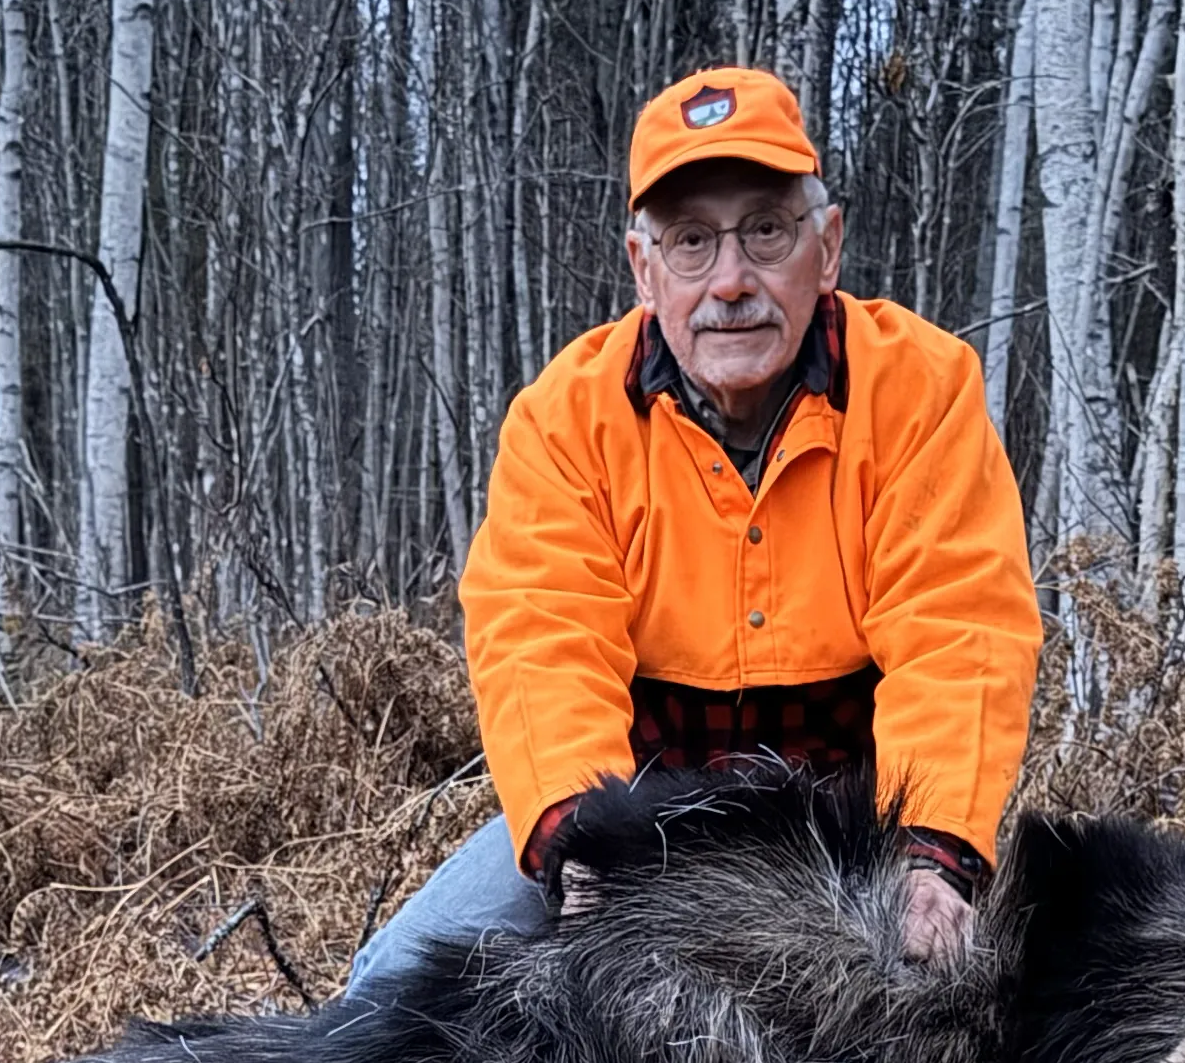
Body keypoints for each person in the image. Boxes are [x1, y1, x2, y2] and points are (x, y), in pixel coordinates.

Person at [348, 63, 1042, 993]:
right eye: (691, 242)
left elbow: (959, 631)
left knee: (971, 1013)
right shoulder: (566, 420)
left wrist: (933, 854)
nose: (731, 282)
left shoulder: (922, 391)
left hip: (858, 825)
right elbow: (539, 643)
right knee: (392, 987)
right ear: (644, 270)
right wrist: (582, 841)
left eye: (766, 232)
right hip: (639, 812)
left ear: (827, 249)